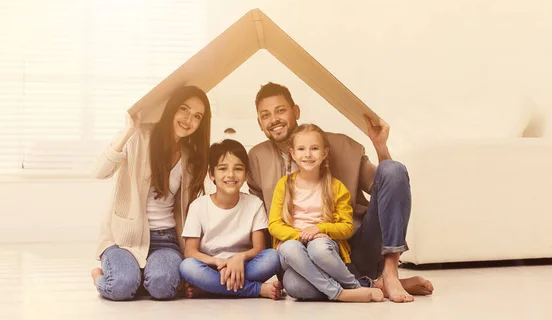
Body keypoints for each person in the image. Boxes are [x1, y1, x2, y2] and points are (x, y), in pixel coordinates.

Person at [248, 82, 434, 303]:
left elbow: (388, 186)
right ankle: (371, 285)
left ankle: (390, 273)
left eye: (280, 110)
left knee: (393, 170)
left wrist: (380, 147)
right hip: (298, 257)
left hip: (352, 247)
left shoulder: (339, 145)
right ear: (260, 123)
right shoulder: (257, 157)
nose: (274, 119)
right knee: (296, 286)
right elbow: (259, 220)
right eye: (265, 115)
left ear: (296, 111)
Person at [90, 86, 211, 301]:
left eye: (197, 116)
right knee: (121, 287)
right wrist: (128, 130)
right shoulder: (139, 137)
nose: (188, 119)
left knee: (163, 287)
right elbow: (99, 172)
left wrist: (189, 250)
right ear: (172, 109)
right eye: (184, 109)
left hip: (166, 240)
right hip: (124, 239)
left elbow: (185, 212)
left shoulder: (189, 158)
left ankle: (143, 275)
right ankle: (102, 276)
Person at [269, 123, 384, 302]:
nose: (307, 154)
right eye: (301, 149)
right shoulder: (284, 185)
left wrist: (318, 229)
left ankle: (341, 289)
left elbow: (346, 227)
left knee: (299, 277)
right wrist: (300, 235)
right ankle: (352, 289)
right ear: (292, 154)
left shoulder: (336, 187)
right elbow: (274, 225)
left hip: (324, 249)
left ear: (324, 153)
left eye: (314, 148)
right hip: (293, 251)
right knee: (289, 252)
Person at [179, 139, 282, 299]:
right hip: (211, 266)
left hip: (244, 266)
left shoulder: (254, 204)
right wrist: (218, 262)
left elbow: (259, 248)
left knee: (273, 257)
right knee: (187, 267)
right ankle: (256, 289)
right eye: (222, 168)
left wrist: (238, 258)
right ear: (211, 174)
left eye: (238, 169)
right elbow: (190, 252)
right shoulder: (198, 206)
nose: (231, 175)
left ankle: (209, 289)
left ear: (246, 174)